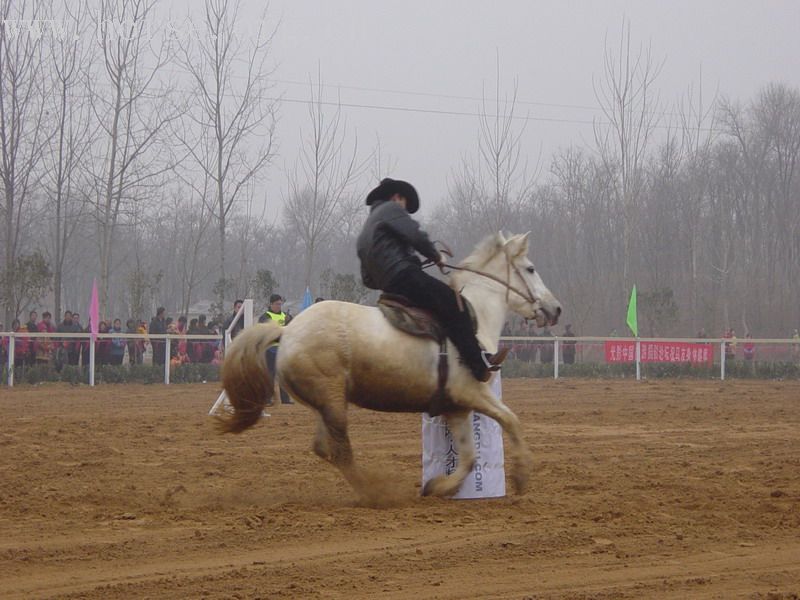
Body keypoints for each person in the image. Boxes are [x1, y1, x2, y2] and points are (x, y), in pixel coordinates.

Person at [356, 177, 505, 382]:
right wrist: (436, 256)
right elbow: (415, 235)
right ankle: (479, 365)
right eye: (405, 205)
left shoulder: (366, 231)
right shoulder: (391, 209)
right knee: (456, 304)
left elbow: (367, 279)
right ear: (397, 197)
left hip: (389, 288)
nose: (405, 211)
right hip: (405, 277)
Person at [259, 294, 292, 404]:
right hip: (269, 349)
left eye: (280, 304)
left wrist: (288, 322)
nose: (279, 306)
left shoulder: (285, 316)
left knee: (283, 375)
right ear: (271, 304)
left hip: (282, 349)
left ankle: (285, 399)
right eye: (277, 304)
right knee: (270, 375)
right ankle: (267, 399)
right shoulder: (265, 317)